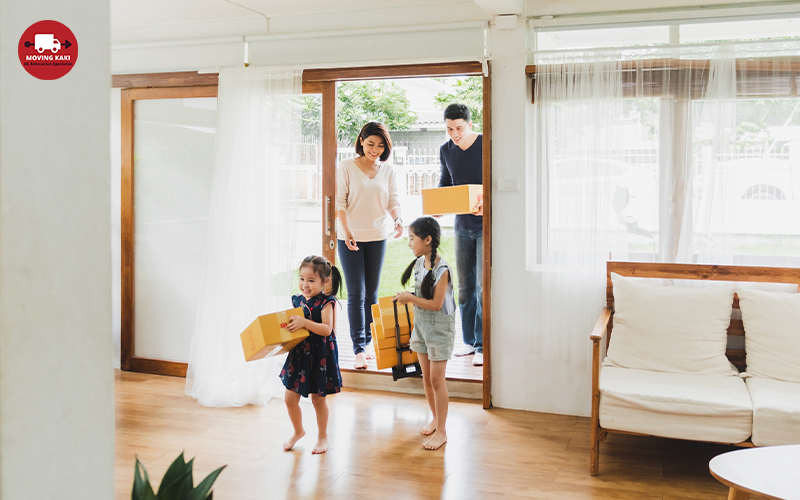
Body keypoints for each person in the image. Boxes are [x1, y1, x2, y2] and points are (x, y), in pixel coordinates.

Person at [336, 121, 403, 369]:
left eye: (380, 145)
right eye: (371, 144)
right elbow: (340, 202)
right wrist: (347, 230)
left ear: (386, 147)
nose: (375, 149)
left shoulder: (387, 170)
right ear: (361, 141)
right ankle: (358, 349)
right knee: (356, 293)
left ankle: (368, 340)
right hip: (350, 237)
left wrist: (397, 219)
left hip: (377, 236)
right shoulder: (346, 167)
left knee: (372, 294)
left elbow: (392, 200)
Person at [393, 217, 455, 450]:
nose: (409, 243)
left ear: (427, 240)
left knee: (437, 380)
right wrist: (406, 296)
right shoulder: (420, 263)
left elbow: (437, 304)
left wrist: (410, 298)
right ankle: (436, 419)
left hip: (439, 329)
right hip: (421, 327)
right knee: (428, 379)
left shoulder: (443, 269)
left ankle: (442, 431)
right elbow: (422, 295)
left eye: (412, 238)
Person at [280, 256, 343, 455]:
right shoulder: (297, 300)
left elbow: (327, 329)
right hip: (299, 356)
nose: (304, 285)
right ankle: (298, 431)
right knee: (290, 398)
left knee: (318, 400)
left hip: (319, 356)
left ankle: (323, 436)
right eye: (301, 279)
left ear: (324, 281)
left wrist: (304, 323)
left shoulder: (326, 303)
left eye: (311, 280)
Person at [439, 103, 484, 366]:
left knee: (480, 287)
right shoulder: (446, 150)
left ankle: (481, 344)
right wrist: (438, 205)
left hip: (484, 226)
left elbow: (494, 179)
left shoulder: (484, 144)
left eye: (458, 128)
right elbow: (446, 183)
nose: (454, 134)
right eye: (449, 129)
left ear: (469, 124)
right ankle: (467, 342)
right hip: (461, 227)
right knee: (465, 288)